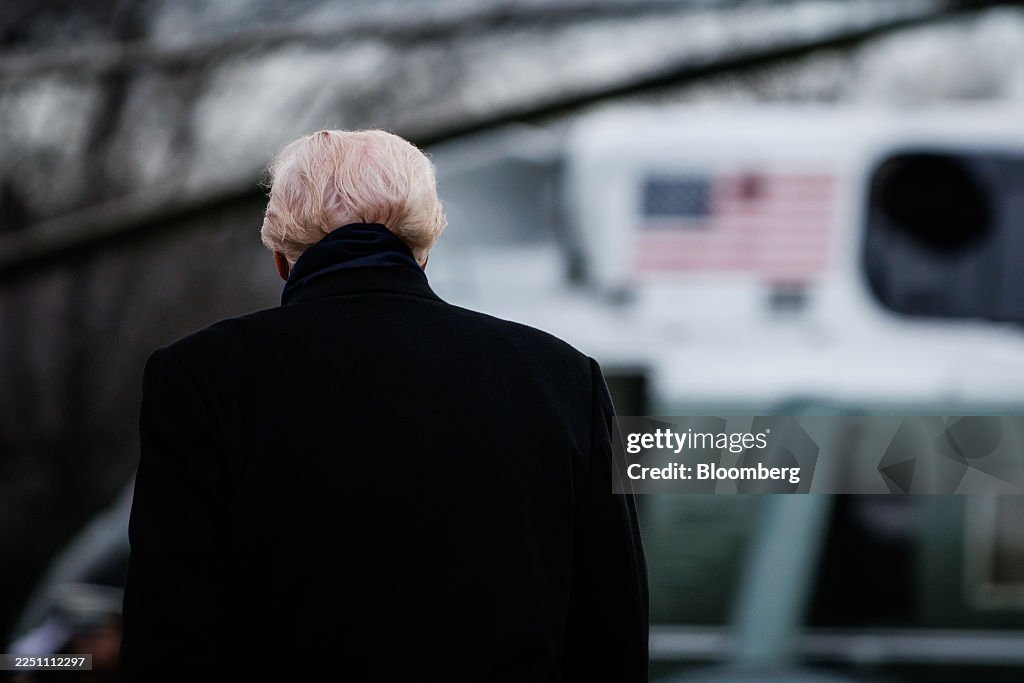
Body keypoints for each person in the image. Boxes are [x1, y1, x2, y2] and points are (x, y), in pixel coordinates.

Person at [119, 129, 649, 681]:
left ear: (281, 254)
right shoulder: (563, 378)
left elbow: (169, 628)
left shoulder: (199, 376)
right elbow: (612, 629)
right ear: (426, 247)